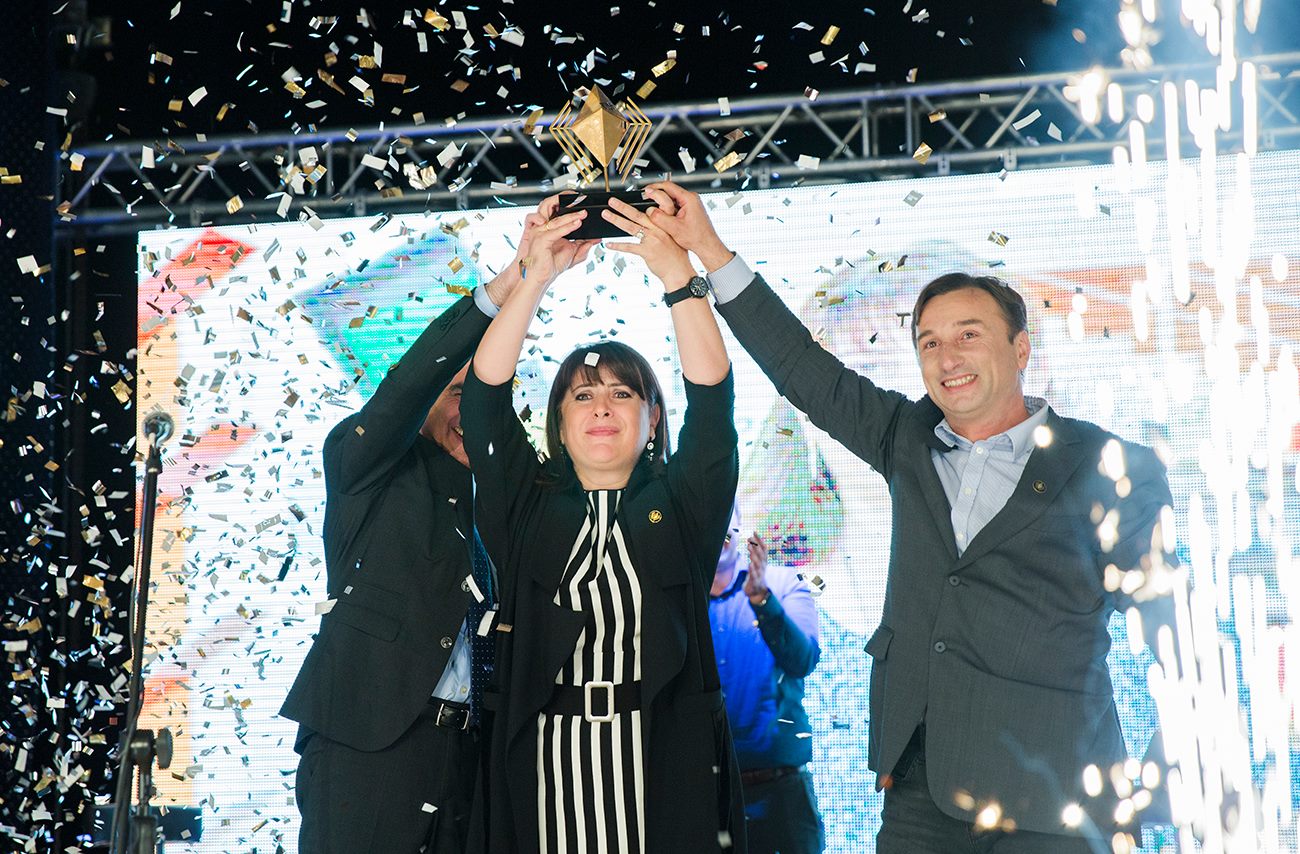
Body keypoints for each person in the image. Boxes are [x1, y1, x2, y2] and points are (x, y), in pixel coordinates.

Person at [640, 181, 1178, 853]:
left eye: (968, 335)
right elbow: (799, 366)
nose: (947, 358)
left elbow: (1173, 630)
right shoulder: (907, 440)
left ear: (1021, 349)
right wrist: (708, 249)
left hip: (1057, 800)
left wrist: (1159, 780)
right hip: (922, 797)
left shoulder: (1107, 465)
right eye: (927, 342)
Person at [279, 199, 576, 854]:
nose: (471, 412)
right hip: (367, 744)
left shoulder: (496, 506)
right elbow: (412, 381)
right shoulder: (366, 465)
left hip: (460, 758)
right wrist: (517, 277)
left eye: (486, 399)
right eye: (458, 395)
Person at [459, 195, 746, 854]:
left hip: (660, 761)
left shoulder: (682, 507)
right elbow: (483, 400)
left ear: (652, 420)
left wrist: (678, 278)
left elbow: (713, 403)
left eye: (623, 393)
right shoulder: (527, 509)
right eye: (582, 395)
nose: (602, 407)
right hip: (545, 767)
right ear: (560, 424)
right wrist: (534, 277)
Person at [709, 506, 824, 854]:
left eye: (727, 526)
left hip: (782, 794)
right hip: (709, 797)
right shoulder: (677, 600)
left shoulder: (784, 584)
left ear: (738, 526)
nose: (720, 535)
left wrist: (762, 600)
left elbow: (802, 660)